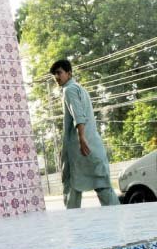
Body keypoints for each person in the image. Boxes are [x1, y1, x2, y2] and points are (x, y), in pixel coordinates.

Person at [50, 59, 120, 209]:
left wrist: (81, 138)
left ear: (69, 73)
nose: (56, 77)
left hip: (79, 150)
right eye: (54, 74)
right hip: (93, 148)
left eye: (59, 73)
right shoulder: (79, 88)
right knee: (103, 187)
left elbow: (79, 115)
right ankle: (117, 222)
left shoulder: (69, 90)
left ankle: (74, 227)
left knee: (72, 188)